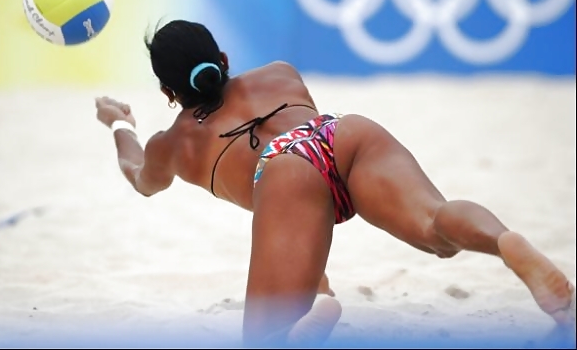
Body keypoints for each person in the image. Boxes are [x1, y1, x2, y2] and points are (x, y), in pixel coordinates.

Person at [95, 20, 575, 347]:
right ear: (221, 56)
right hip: (341, 132)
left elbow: (140, 177)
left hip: (283, 170)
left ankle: (311, 315)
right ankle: (505, 241)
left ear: (166, 91)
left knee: (262, 339)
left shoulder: (174, 143)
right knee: (436, 226)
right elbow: (313, 170)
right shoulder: (279, 73)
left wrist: (120, 124)